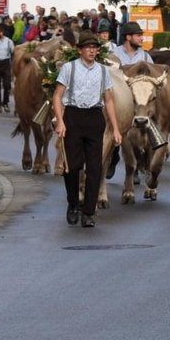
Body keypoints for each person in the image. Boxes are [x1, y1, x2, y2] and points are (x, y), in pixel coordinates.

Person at [51, 32, 122, 228]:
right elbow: (57, 96)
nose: (92, 50)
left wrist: (115, 128)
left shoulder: (103, 71)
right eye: (88, 47)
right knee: (72, 167)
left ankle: (88, 212)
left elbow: (108, 100)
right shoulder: (69, 68)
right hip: (73, 117)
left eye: (95, 47)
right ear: (80, 50)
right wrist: (61, 121)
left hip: (94, 118)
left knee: (94, 168)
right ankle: (73, 204)